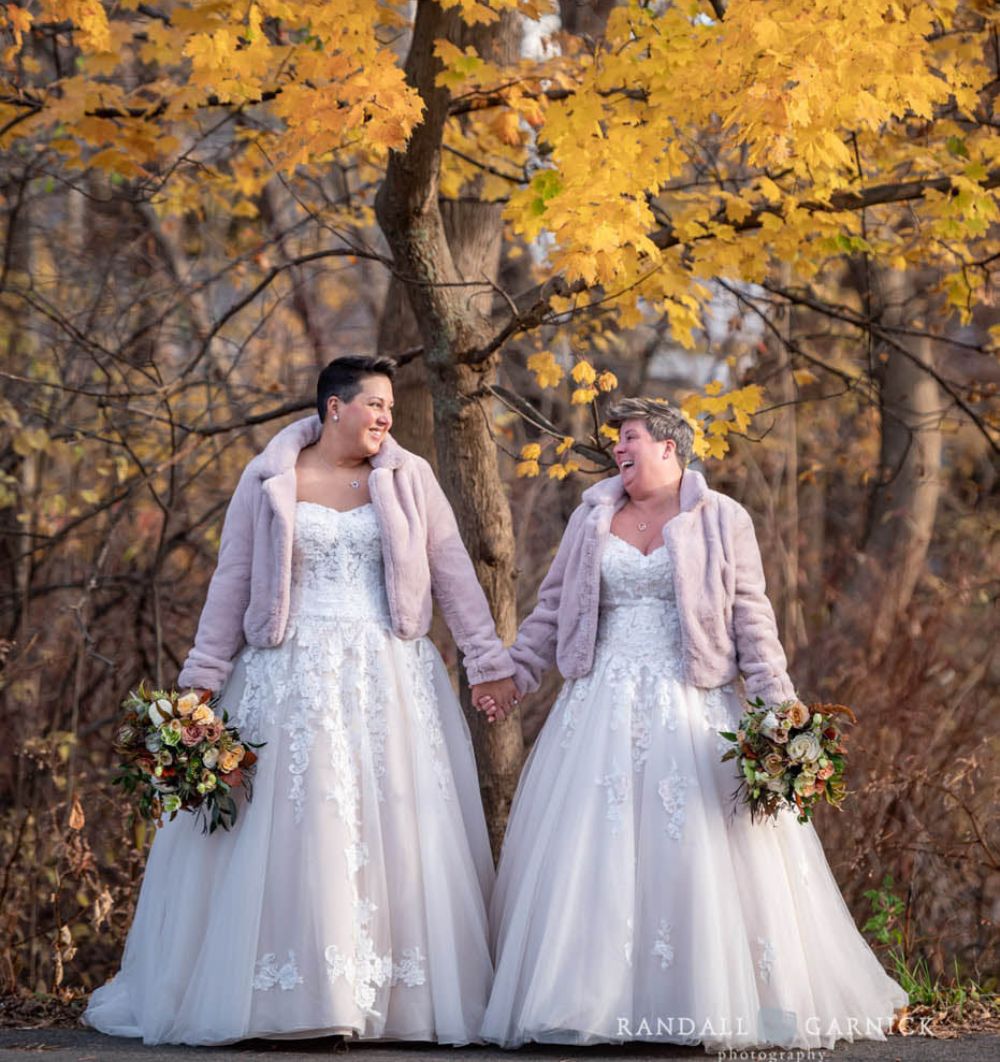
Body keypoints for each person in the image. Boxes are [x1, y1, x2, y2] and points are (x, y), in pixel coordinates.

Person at [84, 355, 518, 1045]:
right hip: (285, 673)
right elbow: (232, 579)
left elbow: (453, 572)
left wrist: (487, 663)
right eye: (374, 405)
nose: (384, 417)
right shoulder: (269, 479)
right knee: (295, 824)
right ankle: (287, 994)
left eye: (390, 410)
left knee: (392, 825)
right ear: (333, 408)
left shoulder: (409, 479)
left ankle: (385, 994)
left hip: (387, 675)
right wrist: (201, 677)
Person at [477, 397, 906, 1052]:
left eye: (633, 438)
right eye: (617, 440)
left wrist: (781, 712)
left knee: (699, 849)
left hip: (694, 702)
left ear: (670, 448)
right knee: (596, 853)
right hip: (600, 704)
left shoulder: (721, 518)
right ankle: (597, 1002)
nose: (620, 448)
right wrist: (514, 676)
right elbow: (553, 609)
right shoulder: (591, 518)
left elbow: (753, 620)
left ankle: (702, 1001)